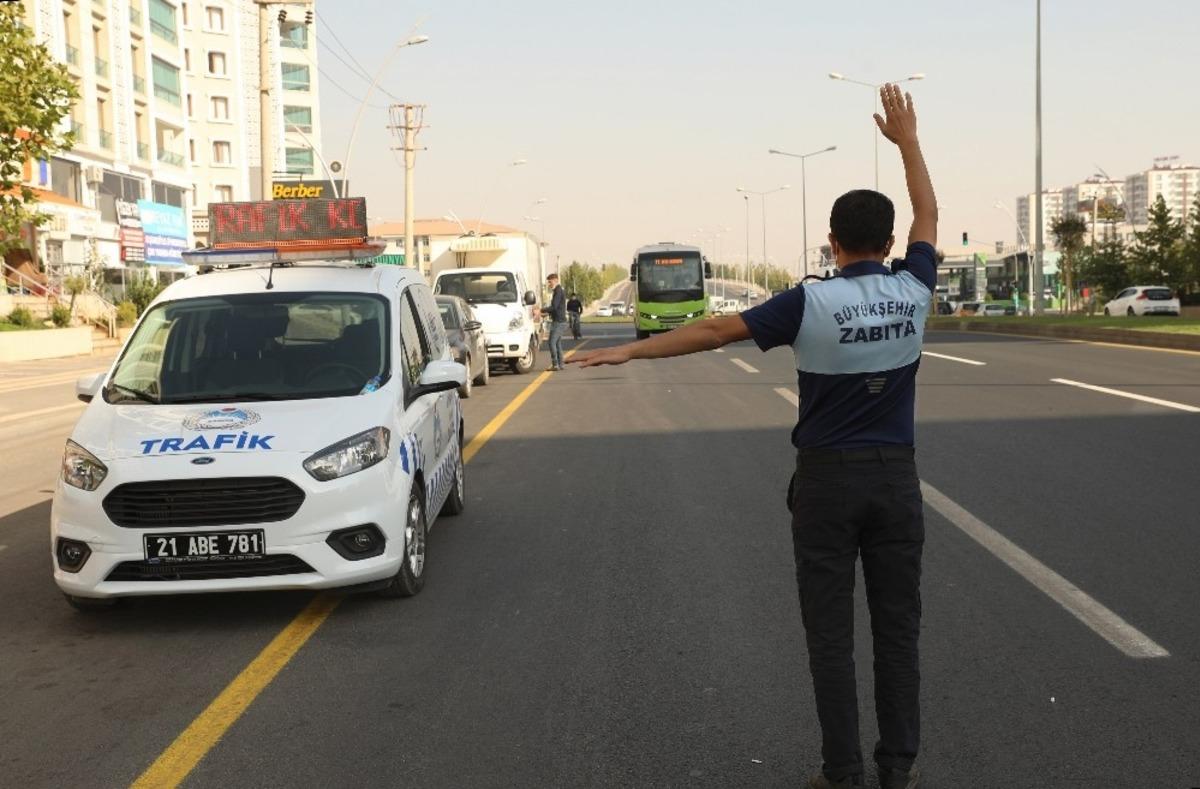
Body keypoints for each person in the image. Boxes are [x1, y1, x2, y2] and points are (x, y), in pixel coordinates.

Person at [571, 85, 936, 789]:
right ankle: (898, 768)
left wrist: (631, 350)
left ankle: (842, 772)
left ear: (832, 242)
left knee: (830, 635)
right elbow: (929, 211)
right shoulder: (915, 288)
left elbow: (714, 330)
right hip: (896, 478)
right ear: (890, 243)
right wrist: (909, 143)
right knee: (898, 631)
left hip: (827, 483)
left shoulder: (810, 301)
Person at [542, 273, 567, 371]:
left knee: (551, 342)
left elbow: (554, 307)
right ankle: (561, 364)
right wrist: (546, 314)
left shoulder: (558, 291)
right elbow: (556, 308)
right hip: (559, 321)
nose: (549, 284)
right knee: (557, 343)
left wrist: (541, 310)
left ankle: (555, 364)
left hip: (558, 322)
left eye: (550, 282)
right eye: (548, 282)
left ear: (556, 280)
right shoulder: (558, 291)